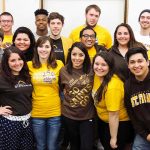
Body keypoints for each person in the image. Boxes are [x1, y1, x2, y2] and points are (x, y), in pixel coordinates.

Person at [27, 36, 64, 150]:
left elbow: (65, 86)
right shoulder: (28, 65)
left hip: (55, 112)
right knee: (40, 146)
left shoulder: (59, 64)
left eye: (47, 46)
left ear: (51, 49)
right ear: (36, 48)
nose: (44, 49)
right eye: (41, 46)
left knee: (52, 146)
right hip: (36, 113)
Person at [92, 51, 134, 150]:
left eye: (104, 65)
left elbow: (114, 115)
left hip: (118, 125)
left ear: (110, 66)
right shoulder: (97, 76)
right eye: (96, 64)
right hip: (104, 121)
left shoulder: (112, 87)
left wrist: (113, 138)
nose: (99, 67)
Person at [59, 42, 95, 150]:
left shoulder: (92, 70)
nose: (77, 58)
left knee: (86, 146)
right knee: (74, 145)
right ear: (70, 55)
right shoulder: (63, 71)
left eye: (81, 55)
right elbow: (60, 89)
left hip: (87, 116)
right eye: (74, 54)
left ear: (85, 56)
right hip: (68, 115)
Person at [0, 46, 33, 150]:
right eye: (13, 60)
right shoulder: (2, 78)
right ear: (6, 62)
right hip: (9, 124)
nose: (17, 63)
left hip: (28, 122)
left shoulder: (26, 76)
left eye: (19, 59)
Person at [125, 47, 150, 150]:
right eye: (132, 62)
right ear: (128, 65)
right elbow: (132, 114)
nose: (136, 65)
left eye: (140, 61)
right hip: (144, 133)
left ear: (147, 62)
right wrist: (145, 135)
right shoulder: (127, 85)